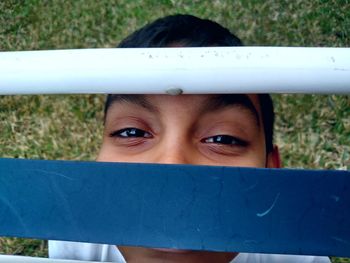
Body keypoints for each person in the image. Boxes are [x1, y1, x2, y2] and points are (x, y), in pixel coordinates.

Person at [49, 14, 330, 263]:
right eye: (132, 133)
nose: (172, 169)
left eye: (222, 138)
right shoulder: (74, 241)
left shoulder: (299, 253)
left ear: (273, 173)